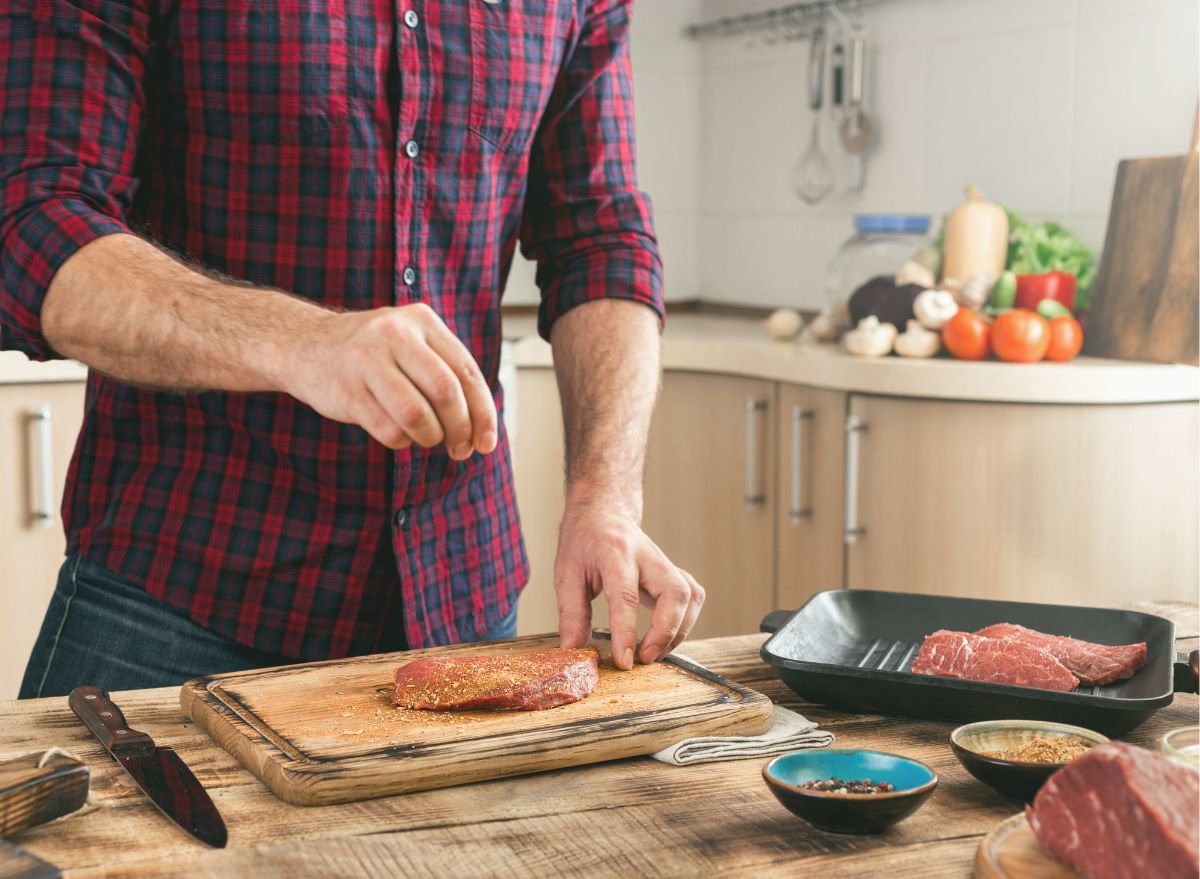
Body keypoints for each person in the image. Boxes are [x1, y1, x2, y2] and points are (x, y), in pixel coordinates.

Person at [0, 0, 704, 698]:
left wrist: (604, 495)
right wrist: (301, 341)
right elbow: (32, 222)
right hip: (176, 596)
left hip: (461, 594)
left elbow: (600, 239)